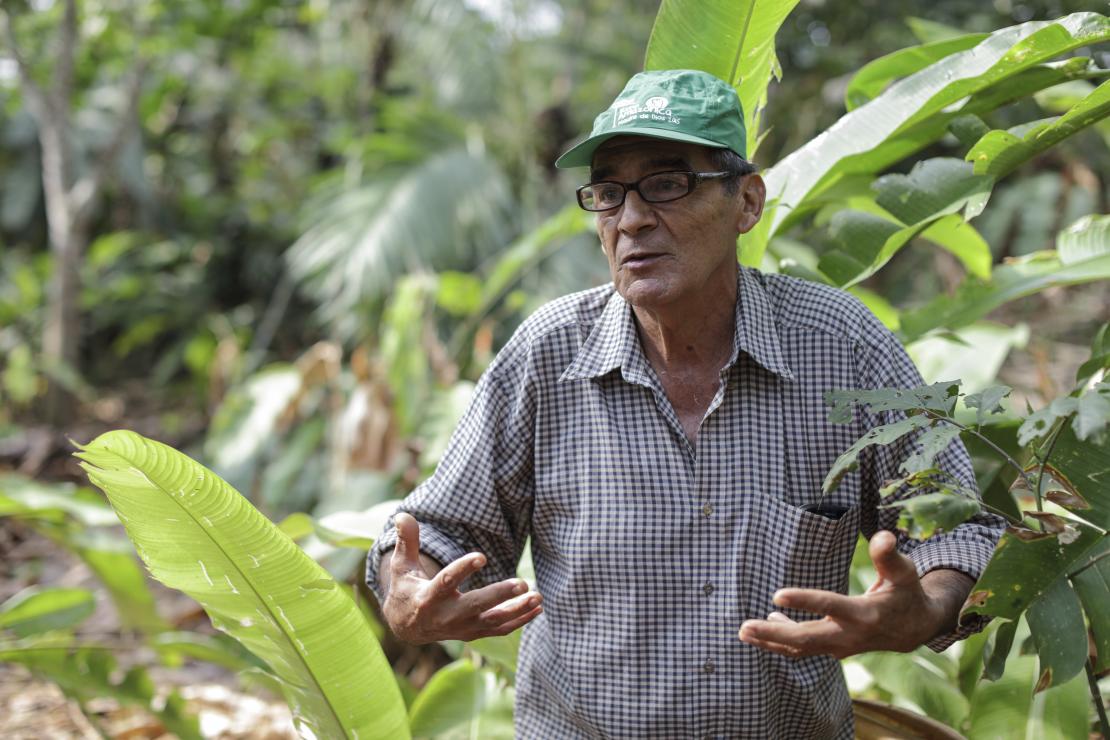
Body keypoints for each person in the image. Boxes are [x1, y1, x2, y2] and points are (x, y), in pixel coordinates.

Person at [366, 69, 1003, 738]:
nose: (632, 218)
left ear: (747, 203)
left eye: (667, 184)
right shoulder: (547, 355)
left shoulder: (842, 346)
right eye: (609, 194)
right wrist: (407, 590)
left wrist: (926, 608)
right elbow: (439, 534)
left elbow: (958, 528)